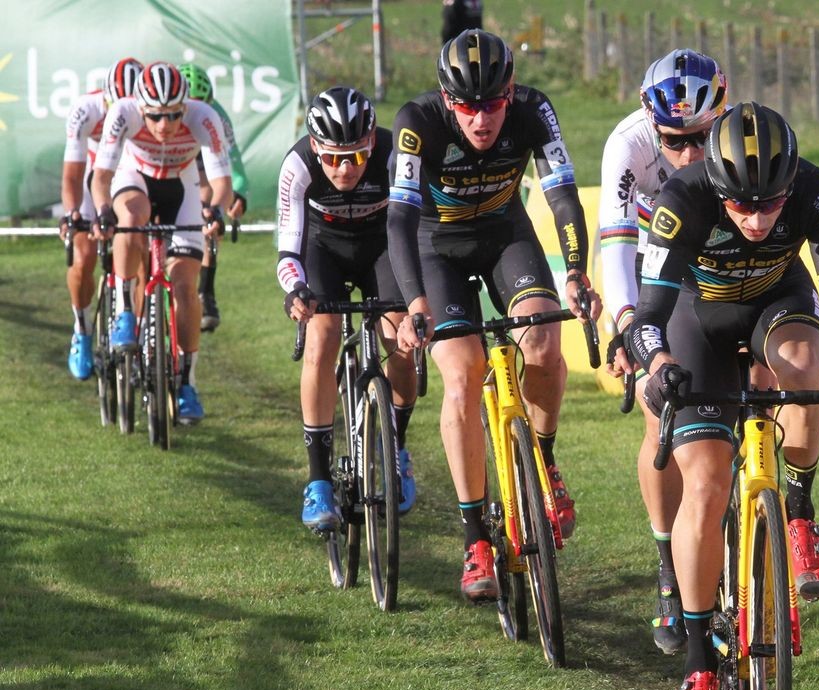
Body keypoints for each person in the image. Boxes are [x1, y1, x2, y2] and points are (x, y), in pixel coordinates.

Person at [625, 102, 819, 690]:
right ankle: (697, 667)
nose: (755, 217)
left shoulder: (816, 192)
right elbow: (649, 314)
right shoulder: (681, 200)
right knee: (708, 484)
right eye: (740, 206)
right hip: (698, 319)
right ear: (714, 185)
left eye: (769, 204)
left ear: (790, 182)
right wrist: (657, 363)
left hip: (778, 300)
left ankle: (797, 511)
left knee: (806, 362)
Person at [388, 29, 601, 602]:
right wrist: (414, 303)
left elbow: (561, 196)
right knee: (461, 375)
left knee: (544, 337)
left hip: (506, 236)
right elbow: (400, 223)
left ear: (510, 93)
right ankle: (475, 535)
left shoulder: (534, 109)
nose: (481, 120)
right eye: (467, 106)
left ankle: (546, 463)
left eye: (492, 104)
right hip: (437, 248)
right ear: (445, 99)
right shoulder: (417, 123)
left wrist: (577, 272)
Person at [597, 49, 728, 655]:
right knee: (662, 412)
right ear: (655, 129)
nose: (692, 156)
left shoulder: (737, 139)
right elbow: (617, 247)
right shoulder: (628, 146)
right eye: (676, 142)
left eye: (702, 137)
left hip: (726, 275)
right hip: (659, 279)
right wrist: (627, 328)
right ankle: (668, 571)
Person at [277, 87, 418, 528]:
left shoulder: (397, 154)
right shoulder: (298, 165)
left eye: (356, 157)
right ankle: (318, 481)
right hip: (325, 249)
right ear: (316, 148)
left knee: (400, 339)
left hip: (383, 246)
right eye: (334, 157)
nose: (344, 168)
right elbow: (288, 249)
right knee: (322, 337)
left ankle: (396, 448)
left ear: (372, 143)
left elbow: (418, 227)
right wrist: (296, 290)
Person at [91, 60, 233, 424]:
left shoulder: (204, 117)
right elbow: (102, 176)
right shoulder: (123, 113)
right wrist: (104, 210)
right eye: (155, 116)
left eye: (172, 116)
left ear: (185, 108)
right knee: (132, 216)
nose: (164, 126)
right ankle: (125, 312)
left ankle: (187, 382)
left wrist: (216, 211)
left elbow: (221, 185)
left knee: (186, 286)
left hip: (181, 187)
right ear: (141, 109)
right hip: (135, 176)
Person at [59, 56, 143, 380]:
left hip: (126, 177)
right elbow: (72, 176)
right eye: (112, 105)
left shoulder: (143, 114)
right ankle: (81, 329)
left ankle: (137, 333)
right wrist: (73, 214)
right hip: (92, 177)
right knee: (83, 256)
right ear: (103, 96)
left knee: (139, 252)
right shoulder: (85, 110)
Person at [178, 62, 249, 333]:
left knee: (209, 209)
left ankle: (205, 293)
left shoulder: (215, 116)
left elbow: (234, 163)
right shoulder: (164, 114)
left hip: (202, 160)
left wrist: (238, 193)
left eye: (202, 105)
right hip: (170, 159)